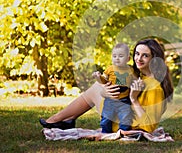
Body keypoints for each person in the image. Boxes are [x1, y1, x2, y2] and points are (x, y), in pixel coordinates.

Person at [39, 38, 173, 133]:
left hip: (123, 124)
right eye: (137, 54)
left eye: (145, 56)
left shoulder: (154, 87)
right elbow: (117, 88)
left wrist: (133, 99)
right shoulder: (137, 74)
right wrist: (105, 91)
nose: (138, 58)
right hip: (119, 113)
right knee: (99, 88)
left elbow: (150, 127)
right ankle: (65, 120)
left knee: (95, 89)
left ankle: (58, 120)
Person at [92, 43, 136, 133]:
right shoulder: (109, 69)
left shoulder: (130, 70)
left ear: (128, 59)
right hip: (110, 100)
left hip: (124, 100)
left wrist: (139, 83)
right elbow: (103, 81)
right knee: (106, 117)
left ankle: (123, 132)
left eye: (120, 56)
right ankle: (105, 131)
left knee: (126, 117)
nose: (117, 58)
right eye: (114, 56)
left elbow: (134, 80)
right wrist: (98, 77)